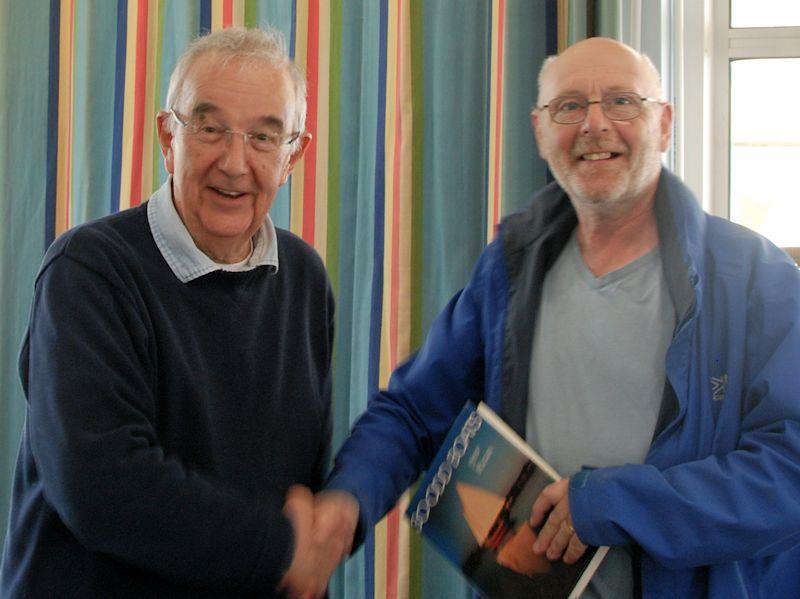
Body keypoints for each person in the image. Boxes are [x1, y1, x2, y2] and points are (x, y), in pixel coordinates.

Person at [321, 37, 800, 597]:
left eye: (622, 101)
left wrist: (608, 504)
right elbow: (413, 411)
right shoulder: (510, 268)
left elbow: (789, 472)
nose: (595, 125)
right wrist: (346, 503)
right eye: (569, 106)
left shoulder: (751, 277)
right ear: (540, 131)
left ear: (664, 124)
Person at [0, 26, 350, 598]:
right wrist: (283, 546)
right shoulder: (88, 271)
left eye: (265, 137)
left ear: (294, 156)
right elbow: (102, 489)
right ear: (168, 137)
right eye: (210, 129)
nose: (235, 163)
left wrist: (308, 540)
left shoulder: (305, 279)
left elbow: (299, 489)